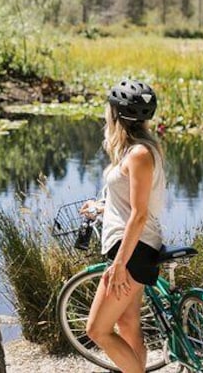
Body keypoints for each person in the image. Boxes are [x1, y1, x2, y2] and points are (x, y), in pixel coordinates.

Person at [83, 79, 165, 373]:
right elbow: (131, 203)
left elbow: (140, 215)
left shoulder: (140, 154)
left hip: (134, 249)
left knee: (96, 330)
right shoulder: (132, 151)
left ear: (116, 114)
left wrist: (120, 264)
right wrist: (102, 207)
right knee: (127, 323)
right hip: (130, 245)